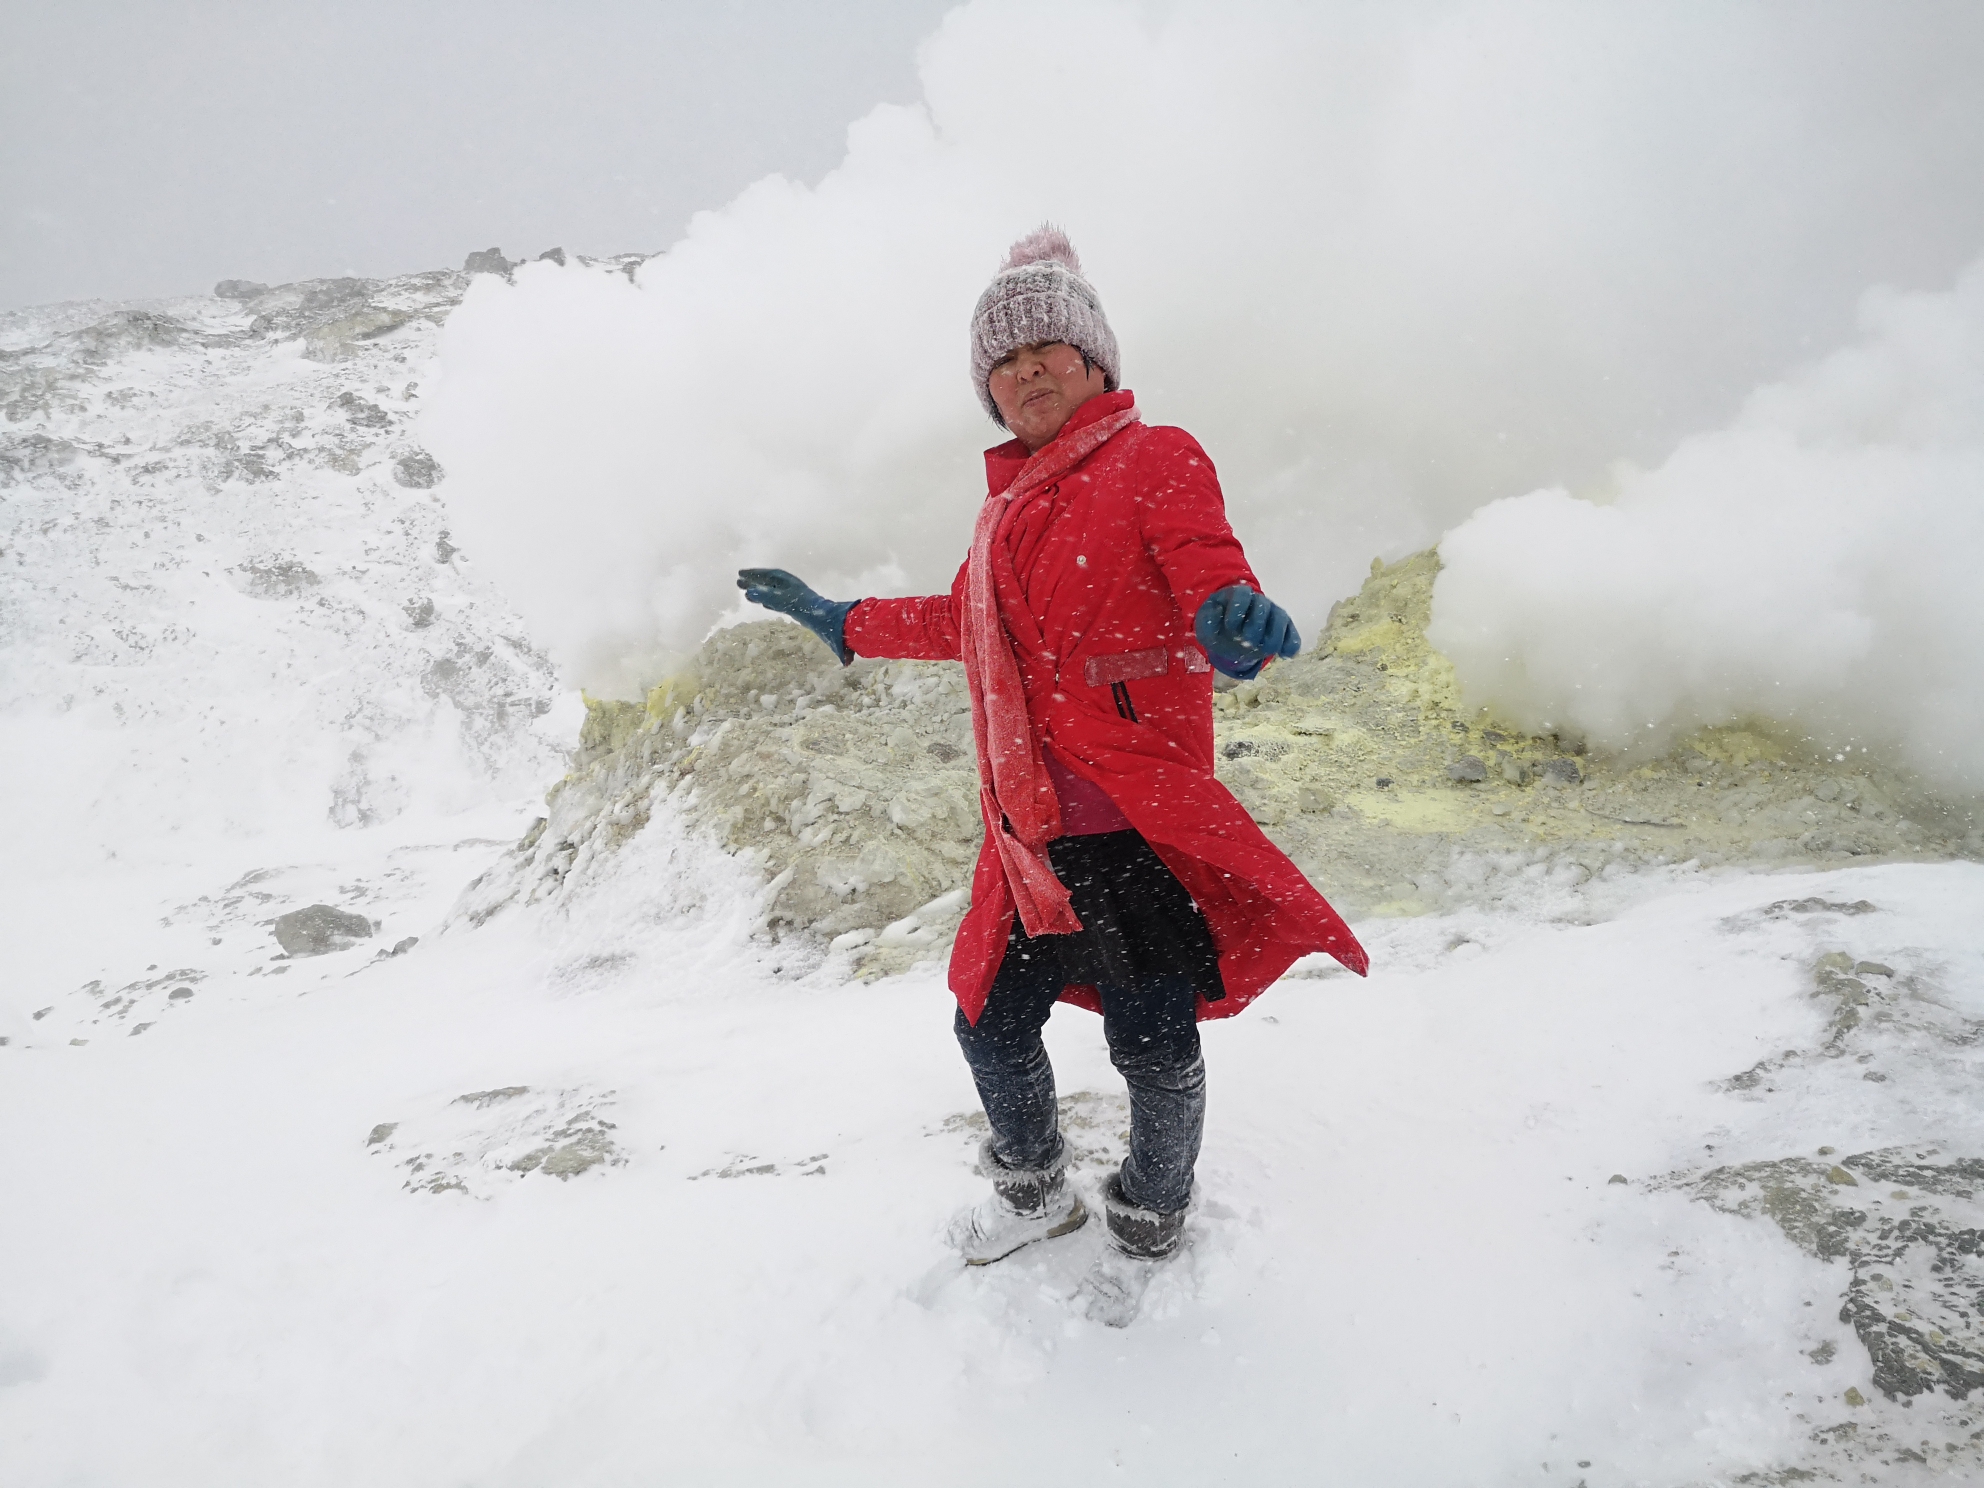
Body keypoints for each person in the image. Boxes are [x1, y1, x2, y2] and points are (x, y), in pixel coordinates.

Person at [739, 226, 1366, 1323]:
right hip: (1027, 833)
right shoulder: (1003, 513)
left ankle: (1150, 1213)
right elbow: (964, 623)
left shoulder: (1153, 457)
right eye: (1003, 359)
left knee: (1152, 1040)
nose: (1025, 370)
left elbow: (1208, 573)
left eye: (1047, 350)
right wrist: (844, 620)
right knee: (987, 1019)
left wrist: (1233, 625)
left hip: (1130, 822)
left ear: (1095, 365)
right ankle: (1031, 1192)